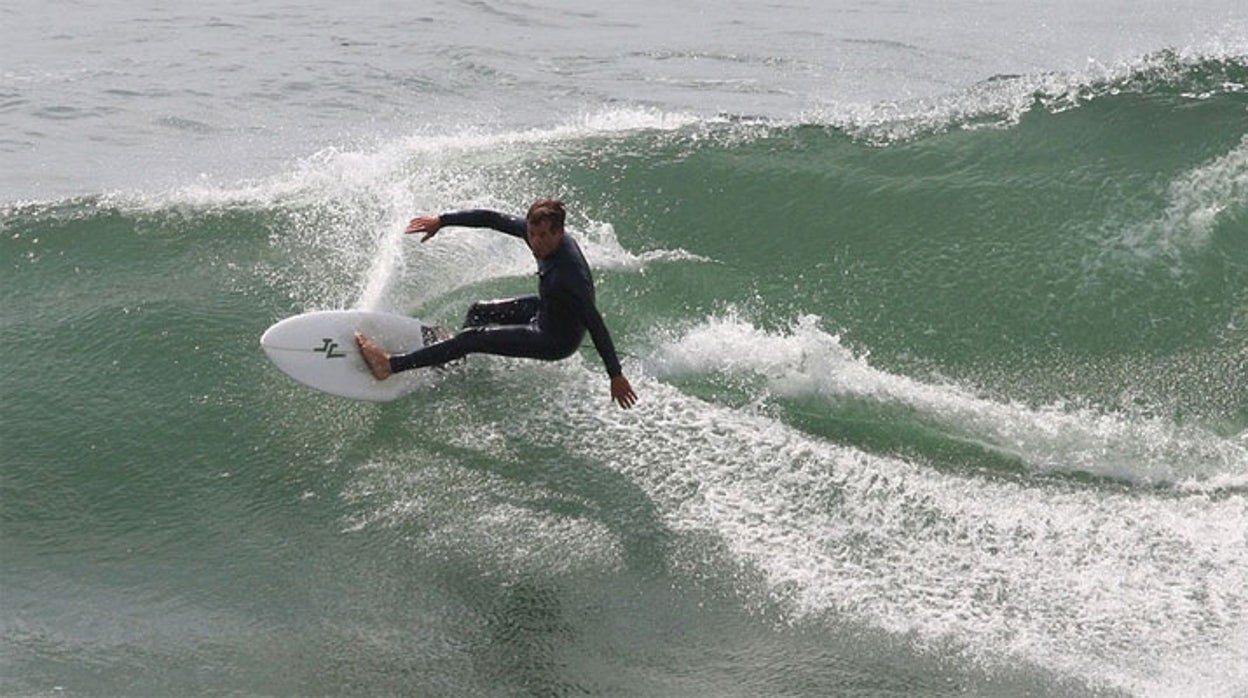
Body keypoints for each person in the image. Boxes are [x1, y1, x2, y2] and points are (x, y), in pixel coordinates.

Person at [355, 199, 639, 409]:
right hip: (547, 310)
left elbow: (596, 324)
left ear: (559, 233)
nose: (535, 242)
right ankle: (453, 360)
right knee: (478, 311)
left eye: (543, 236)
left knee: (470, 338)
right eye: (532, 234)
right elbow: (491, 218)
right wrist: (442, 220)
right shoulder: (536, 234)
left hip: (555, 339)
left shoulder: (569, 276)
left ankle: (390, 366)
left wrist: (615, 374)